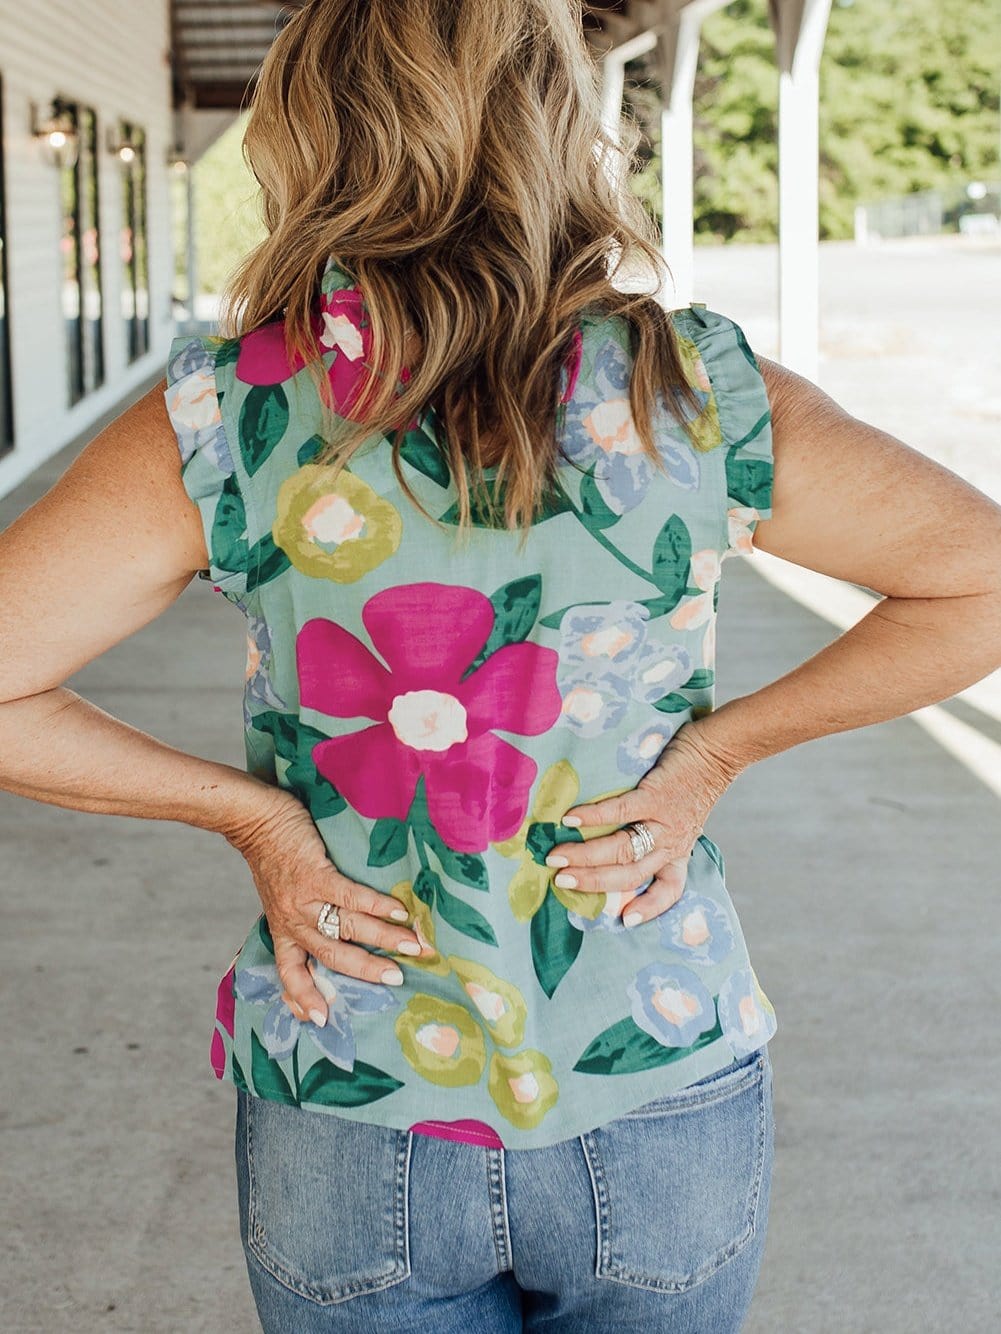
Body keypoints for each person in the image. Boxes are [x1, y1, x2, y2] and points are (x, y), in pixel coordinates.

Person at [2, 1, 1000, 1330]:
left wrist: (254, 819)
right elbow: (977, 575)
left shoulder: (231, 407)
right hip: (649, 1066)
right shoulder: (688, 391)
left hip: (354, 1089)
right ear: (552, 122)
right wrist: (714, 755)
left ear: (308, 132)